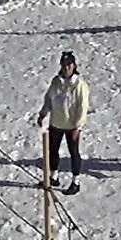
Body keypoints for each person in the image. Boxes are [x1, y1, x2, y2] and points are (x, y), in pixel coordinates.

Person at [40, 52, 90, 193]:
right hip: (56, 122)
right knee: (53, 151)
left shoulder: (80, 85)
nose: (66, 67)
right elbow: (49, 99)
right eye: (64, 65)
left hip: (72, 125)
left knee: (74, 152)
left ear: (74, 66)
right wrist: (43, 113)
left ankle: (76, 182)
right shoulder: (56, 81)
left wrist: (78, 126)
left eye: (69, 65)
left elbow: (83, 106)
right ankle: (53, 177)